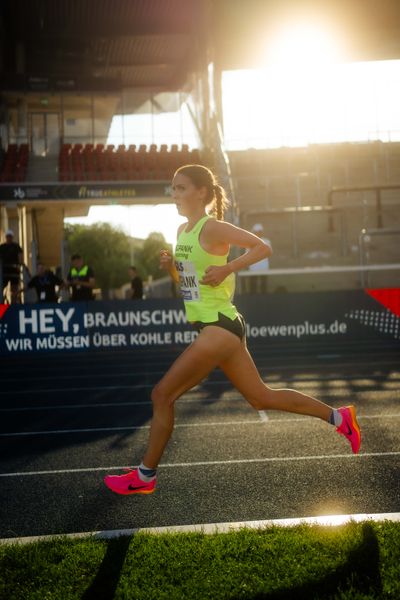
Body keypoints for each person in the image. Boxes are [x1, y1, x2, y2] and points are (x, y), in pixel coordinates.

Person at [104, 164, 361, 496]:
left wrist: (227, 267)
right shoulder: (183, 231)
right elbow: (188, 286)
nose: (174, 194)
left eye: (181, 188)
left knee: (162, 394)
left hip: (219, 327)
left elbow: (262, 248)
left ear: (202, 193)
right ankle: (340, 418)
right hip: (219, 327)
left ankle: (145, 475)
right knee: (261, 398)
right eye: (172, 188)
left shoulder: (213, 228)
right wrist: (172, 268)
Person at [0, 229, 23, 303]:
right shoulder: (1, 247)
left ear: (12, 237)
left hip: (14, 271)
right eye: (7, 236)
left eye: (10, 236)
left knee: (14, 289)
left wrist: (19, 265)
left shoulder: (16, 246)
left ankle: (13, 303)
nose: (8, 238)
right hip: (4, 271)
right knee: (2, 287)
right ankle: (2, 301)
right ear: (5, 237)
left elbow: (20, 257)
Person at [248, 223, 271, 294]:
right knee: (253, 286)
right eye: (256, 232)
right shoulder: (250, 242)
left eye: (259, 232)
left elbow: (268, 253)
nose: (258, 233)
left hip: (263, 267)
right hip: (253, 267)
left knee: (263, 286)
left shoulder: (267, 241)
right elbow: (248, 255)